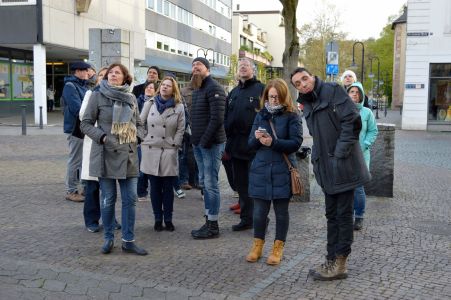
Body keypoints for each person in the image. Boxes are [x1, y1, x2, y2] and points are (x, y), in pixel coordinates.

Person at [291, 67, 370, 280]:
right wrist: (318, 160)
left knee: (343, 216)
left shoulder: (333, 90)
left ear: (312, 77)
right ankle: (331, 259)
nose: (303, 84)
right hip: (325, 167)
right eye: (297, 83)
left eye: (304, 79)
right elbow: (317, 135)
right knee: (331, 215)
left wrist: (339, 154)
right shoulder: (307, 102)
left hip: (343, 166)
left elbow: (352, 121)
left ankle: (340, 264)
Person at [81, 63, 147, 256]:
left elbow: (140, 124)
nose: (113, 75)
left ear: (125, 77)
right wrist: (102, 137)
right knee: (108, 199)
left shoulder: (131, 97)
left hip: (129, 155)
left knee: (130, 200)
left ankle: (128, 240)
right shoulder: (96, 95)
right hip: (105, 154)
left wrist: (138, 138)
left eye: (117, 73)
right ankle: (109, 238)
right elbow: (85, 124)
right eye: (110, 73)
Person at [245, 79, 302, 265]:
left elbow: (296, 143)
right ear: (266, 96)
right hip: (261, 169)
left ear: (284, 96)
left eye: (277, 97)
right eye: (271, 97)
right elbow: (250, 145)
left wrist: (273, 143)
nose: (274, 100)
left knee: (281, 212)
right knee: (259, 213)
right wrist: (256, 139)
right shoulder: (260, 115)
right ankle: (257, 245)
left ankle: (278, 248)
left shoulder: (293, 115)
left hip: (282, 169)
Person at [140, 76, 185, 232]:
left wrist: (175, 144)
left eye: (169, 86)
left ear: (174, 90)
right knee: (154, 187)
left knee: (167, 187)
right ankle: (157, 218)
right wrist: (143, 138)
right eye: (163, 85)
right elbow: (140, 123)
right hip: (151, 148)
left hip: (168, 149)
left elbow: (181, 128)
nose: (165, 87)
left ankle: (169, 218)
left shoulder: (179, 107)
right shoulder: (149, 103)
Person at [225, 58, 265, 231]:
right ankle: (246, 219)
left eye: (246, 66)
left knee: (256, 185)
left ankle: (260, 220)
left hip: (254, 146)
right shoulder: (233, 92)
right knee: (241, 184)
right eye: (240, 66)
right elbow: (226, 117)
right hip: (235, 145)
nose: (242, 68)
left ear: (253, 70)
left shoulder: (261, 90)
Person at [190, 57, 226, 239]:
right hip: (199, 145)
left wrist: (203, 141)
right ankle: (208, 221)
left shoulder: (214, 88)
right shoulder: (198, 89)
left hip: (210, 145)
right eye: (193, 65)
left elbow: (217, 119)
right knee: (204, 183)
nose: (195, 67)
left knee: (211, 185)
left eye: (199, 65)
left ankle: (213, 226)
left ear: (207, 69)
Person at [80, 67, 120, 233]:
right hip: (95, 143)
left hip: (111, 145)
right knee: (92, 186)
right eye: (102, 76)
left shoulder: (117, 96)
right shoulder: (91, 94)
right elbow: (83, 116)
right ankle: (91, 220)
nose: (105, 78)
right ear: (97, 79)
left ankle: (109, 218)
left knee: (109, 187)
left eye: (108, 75)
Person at [347, 82, 378, 231]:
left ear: (361, 95)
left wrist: (365, 144)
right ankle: (347, 216)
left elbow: (373, 131)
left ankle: (359, 216)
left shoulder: (367, 112)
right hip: (345, 155)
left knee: (358, 188)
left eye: (357, 92)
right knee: (345, 187)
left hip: (361, 155)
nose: (354, 94)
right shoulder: (341, 111)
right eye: (351, 91)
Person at [63, 61, 90, 202]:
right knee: (75, 160)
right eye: (86, 71)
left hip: (83, 128)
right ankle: (71, 190)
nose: (88, 73)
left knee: (83, 160)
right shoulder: (70, 86)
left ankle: (82, 188)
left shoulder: (83, 86)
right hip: (75, 129)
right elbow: (77, 109)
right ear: (78, 71)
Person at [136, 81, 158, 202]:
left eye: (152, 88)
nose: (149, 89)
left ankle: (154, 191)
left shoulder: (157, 102)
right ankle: (141, 192)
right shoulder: (138, 101)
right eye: (148, 87)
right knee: (141, 167)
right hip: (142, 138)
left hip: (154, 138)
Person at [180, 78, 199, 190]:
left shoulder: (205, 90)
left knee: (197, 156)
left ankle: (197, 180)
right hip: (186, 128)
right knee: (184, 155)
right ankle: (184, 180)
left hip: (199, 128)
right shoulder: (183, 91)